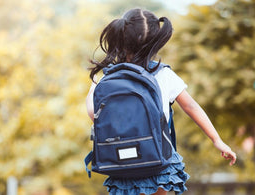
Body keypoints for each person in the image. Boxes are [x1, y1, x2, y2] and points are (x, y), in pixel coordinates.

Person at [85, 8, 237, 195]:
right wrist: (217, 140)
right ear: (155, 44)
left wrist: (95, 86)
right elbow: (191, 106)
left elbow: (94, 114)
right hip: (156, 157)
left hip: (119, 159)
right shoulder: (163, 74)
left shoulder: (108, 76)